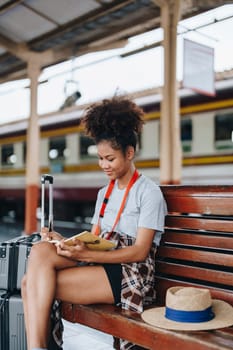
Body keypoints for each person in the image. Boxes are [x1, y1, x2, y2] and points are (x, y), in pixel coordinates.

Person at [21, 96, 167, 350]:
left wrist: (87, 252)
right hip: (101, 258)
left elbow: (140, 251)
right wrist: (65, 241)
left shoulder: (148, 192)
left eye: (110, 159)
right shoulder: (104, 193)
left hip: (130, 272)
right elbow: (97, 238)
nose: (103, 165)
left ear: (129, 153)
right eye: (100, 158)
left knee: (29, 284)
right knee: (41, 249)